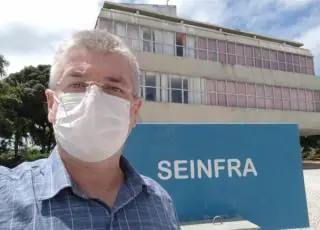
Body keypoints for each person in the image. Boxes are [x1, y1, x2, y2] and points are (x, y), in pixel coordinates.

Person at [0, 29, 180, 230]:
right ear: (51, 104)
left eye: (114, 88)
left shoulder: (160, 202)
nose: (93, 100)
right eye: (77, 84)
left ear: (134, 111)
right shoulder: (6, 196)